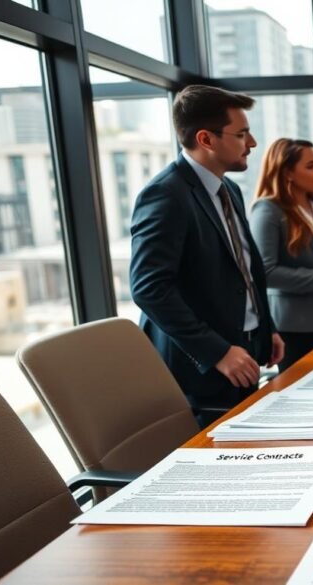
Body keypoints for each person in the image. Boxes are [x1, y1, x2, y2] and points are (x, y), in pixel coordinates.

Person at [130, 85, 283, 422]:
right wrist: (218, 353)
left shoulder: (229, 188)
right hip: (202, 369)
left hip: (244, 351)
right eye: (242, 134)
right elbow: (149, 289)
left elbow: (245, 267)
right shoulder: (165, 195)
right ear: (206, 139)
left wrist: (264, 327)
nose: (253, 143)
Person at [249, 139, 313, 372]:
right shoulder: (268, 210)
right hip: (294, 326)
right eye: (311, 166)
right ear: (288, 172)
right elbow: (265, 272)